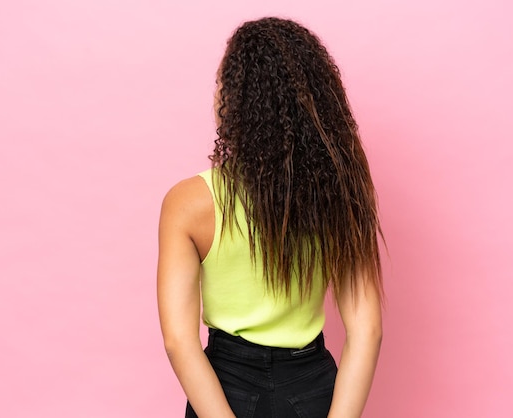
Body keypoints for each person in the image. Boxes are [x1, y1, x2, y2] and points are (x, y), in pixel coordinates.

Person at [157, 17, 384, 418]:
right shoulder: (337, 196)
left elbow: (179, 340)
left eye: (220, 83)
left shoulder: (188, 203)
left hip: (225, 390)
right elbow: (367, 330)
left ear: (237, 101)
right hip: (313, 390)